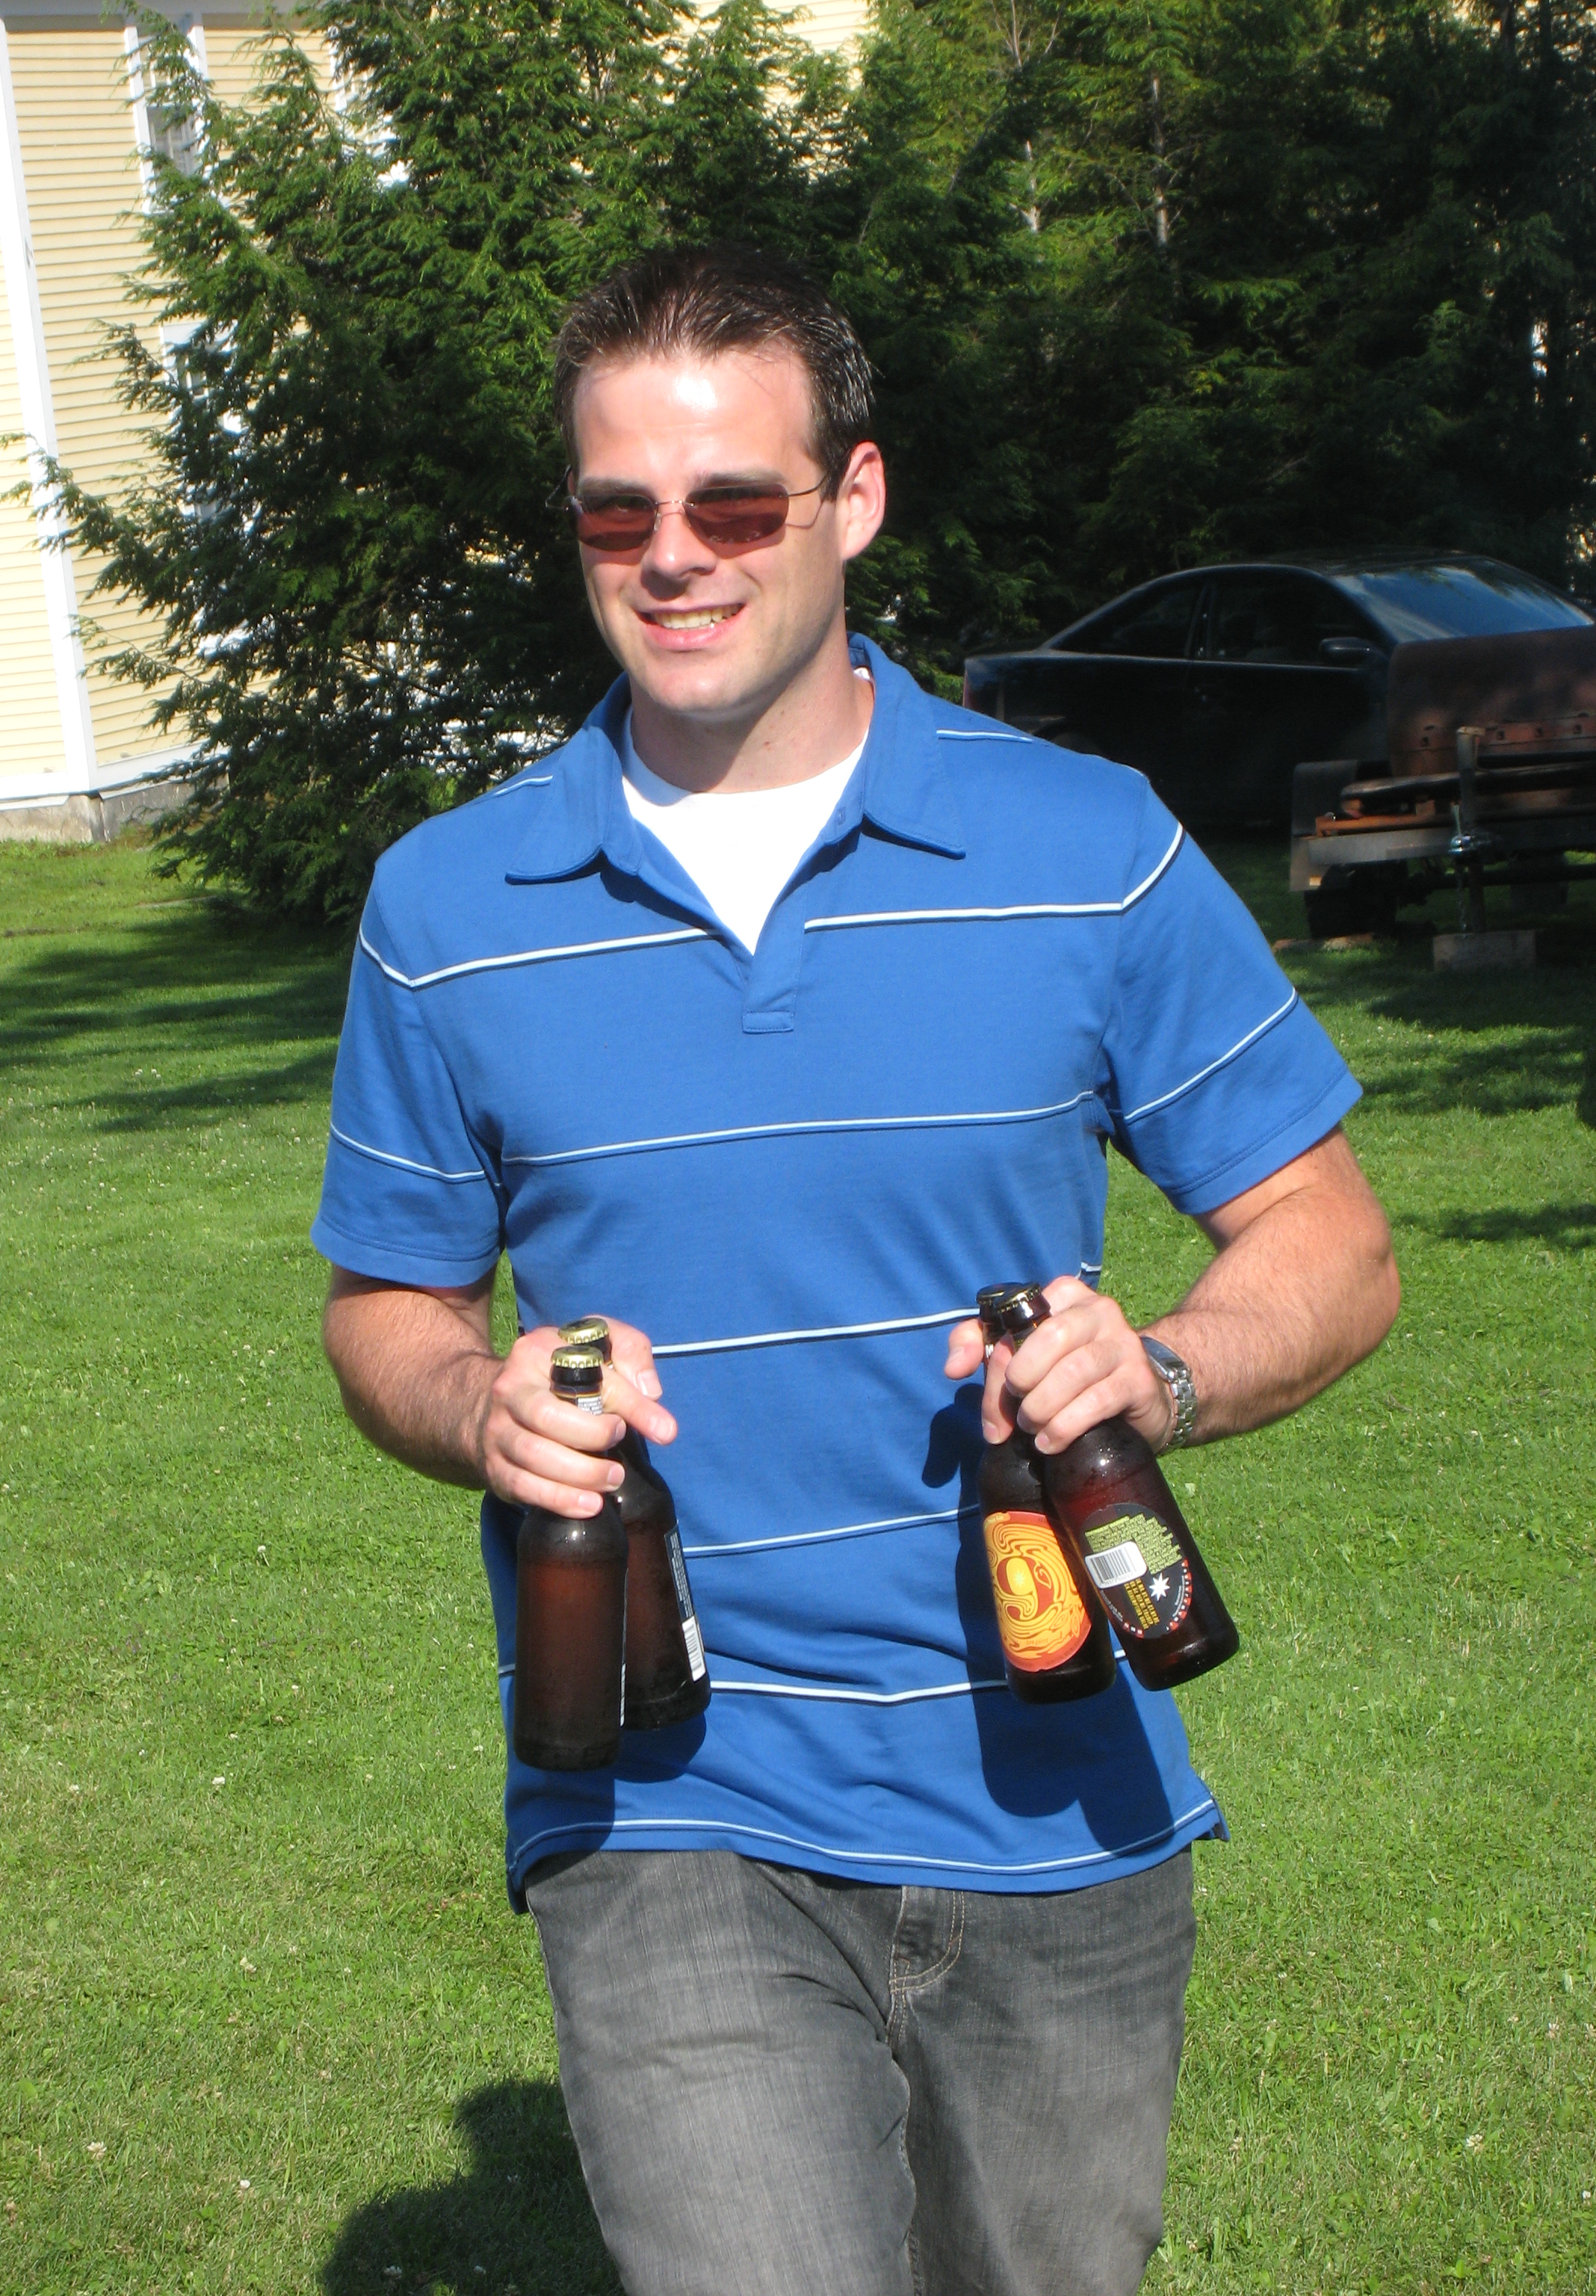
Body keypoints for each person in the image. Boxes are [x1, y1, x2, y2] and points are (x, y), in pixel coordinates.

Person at [312, 244, 1399, 2296]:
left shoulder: (1086, 845)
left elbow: (1330, 1241)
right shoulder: (451, 904)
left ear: (856, 498)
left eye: (737, 502)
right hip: (665, 1788)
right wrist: (480, 1408)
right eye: (619, 514)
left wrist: (1160, 1373)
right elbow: (388, 1303)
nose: (675, 557)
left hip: (1057, 1783)